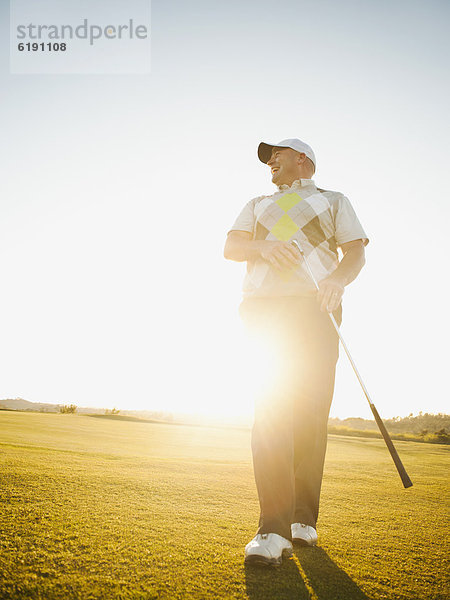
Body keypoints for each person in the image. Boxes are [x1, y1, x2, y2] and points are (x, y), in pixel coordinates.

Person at [224, 138, 368, 567]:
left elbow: (355, 253)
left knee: (309, 417)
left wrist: (338, 280)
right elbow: (232, 248)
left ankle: (303, 519)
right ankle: (272, 528)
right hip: (265, 311)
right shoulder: (256, 204)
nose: (270, 160)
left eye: (278, 153)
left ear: (302, 159)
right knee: (270, 413)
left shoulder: (333, 200)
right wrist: (264, 247)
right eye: (267, 156)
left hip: (317, 311)